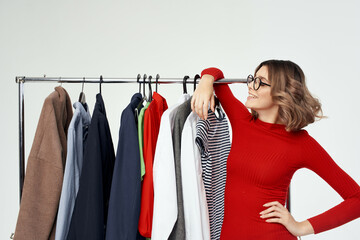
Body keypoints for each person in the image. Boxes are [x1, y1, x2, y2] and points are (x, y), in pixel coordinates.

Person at [190, 60, 360, 239]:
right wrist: (205, 81)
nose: (250, 86)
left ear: (282, 93)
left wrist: (301, 227)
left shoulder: (301, 144)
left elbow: (356, 199)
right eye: (252, 79)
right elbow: (216, 75)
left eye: (260, 82)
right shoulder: (242, 122)